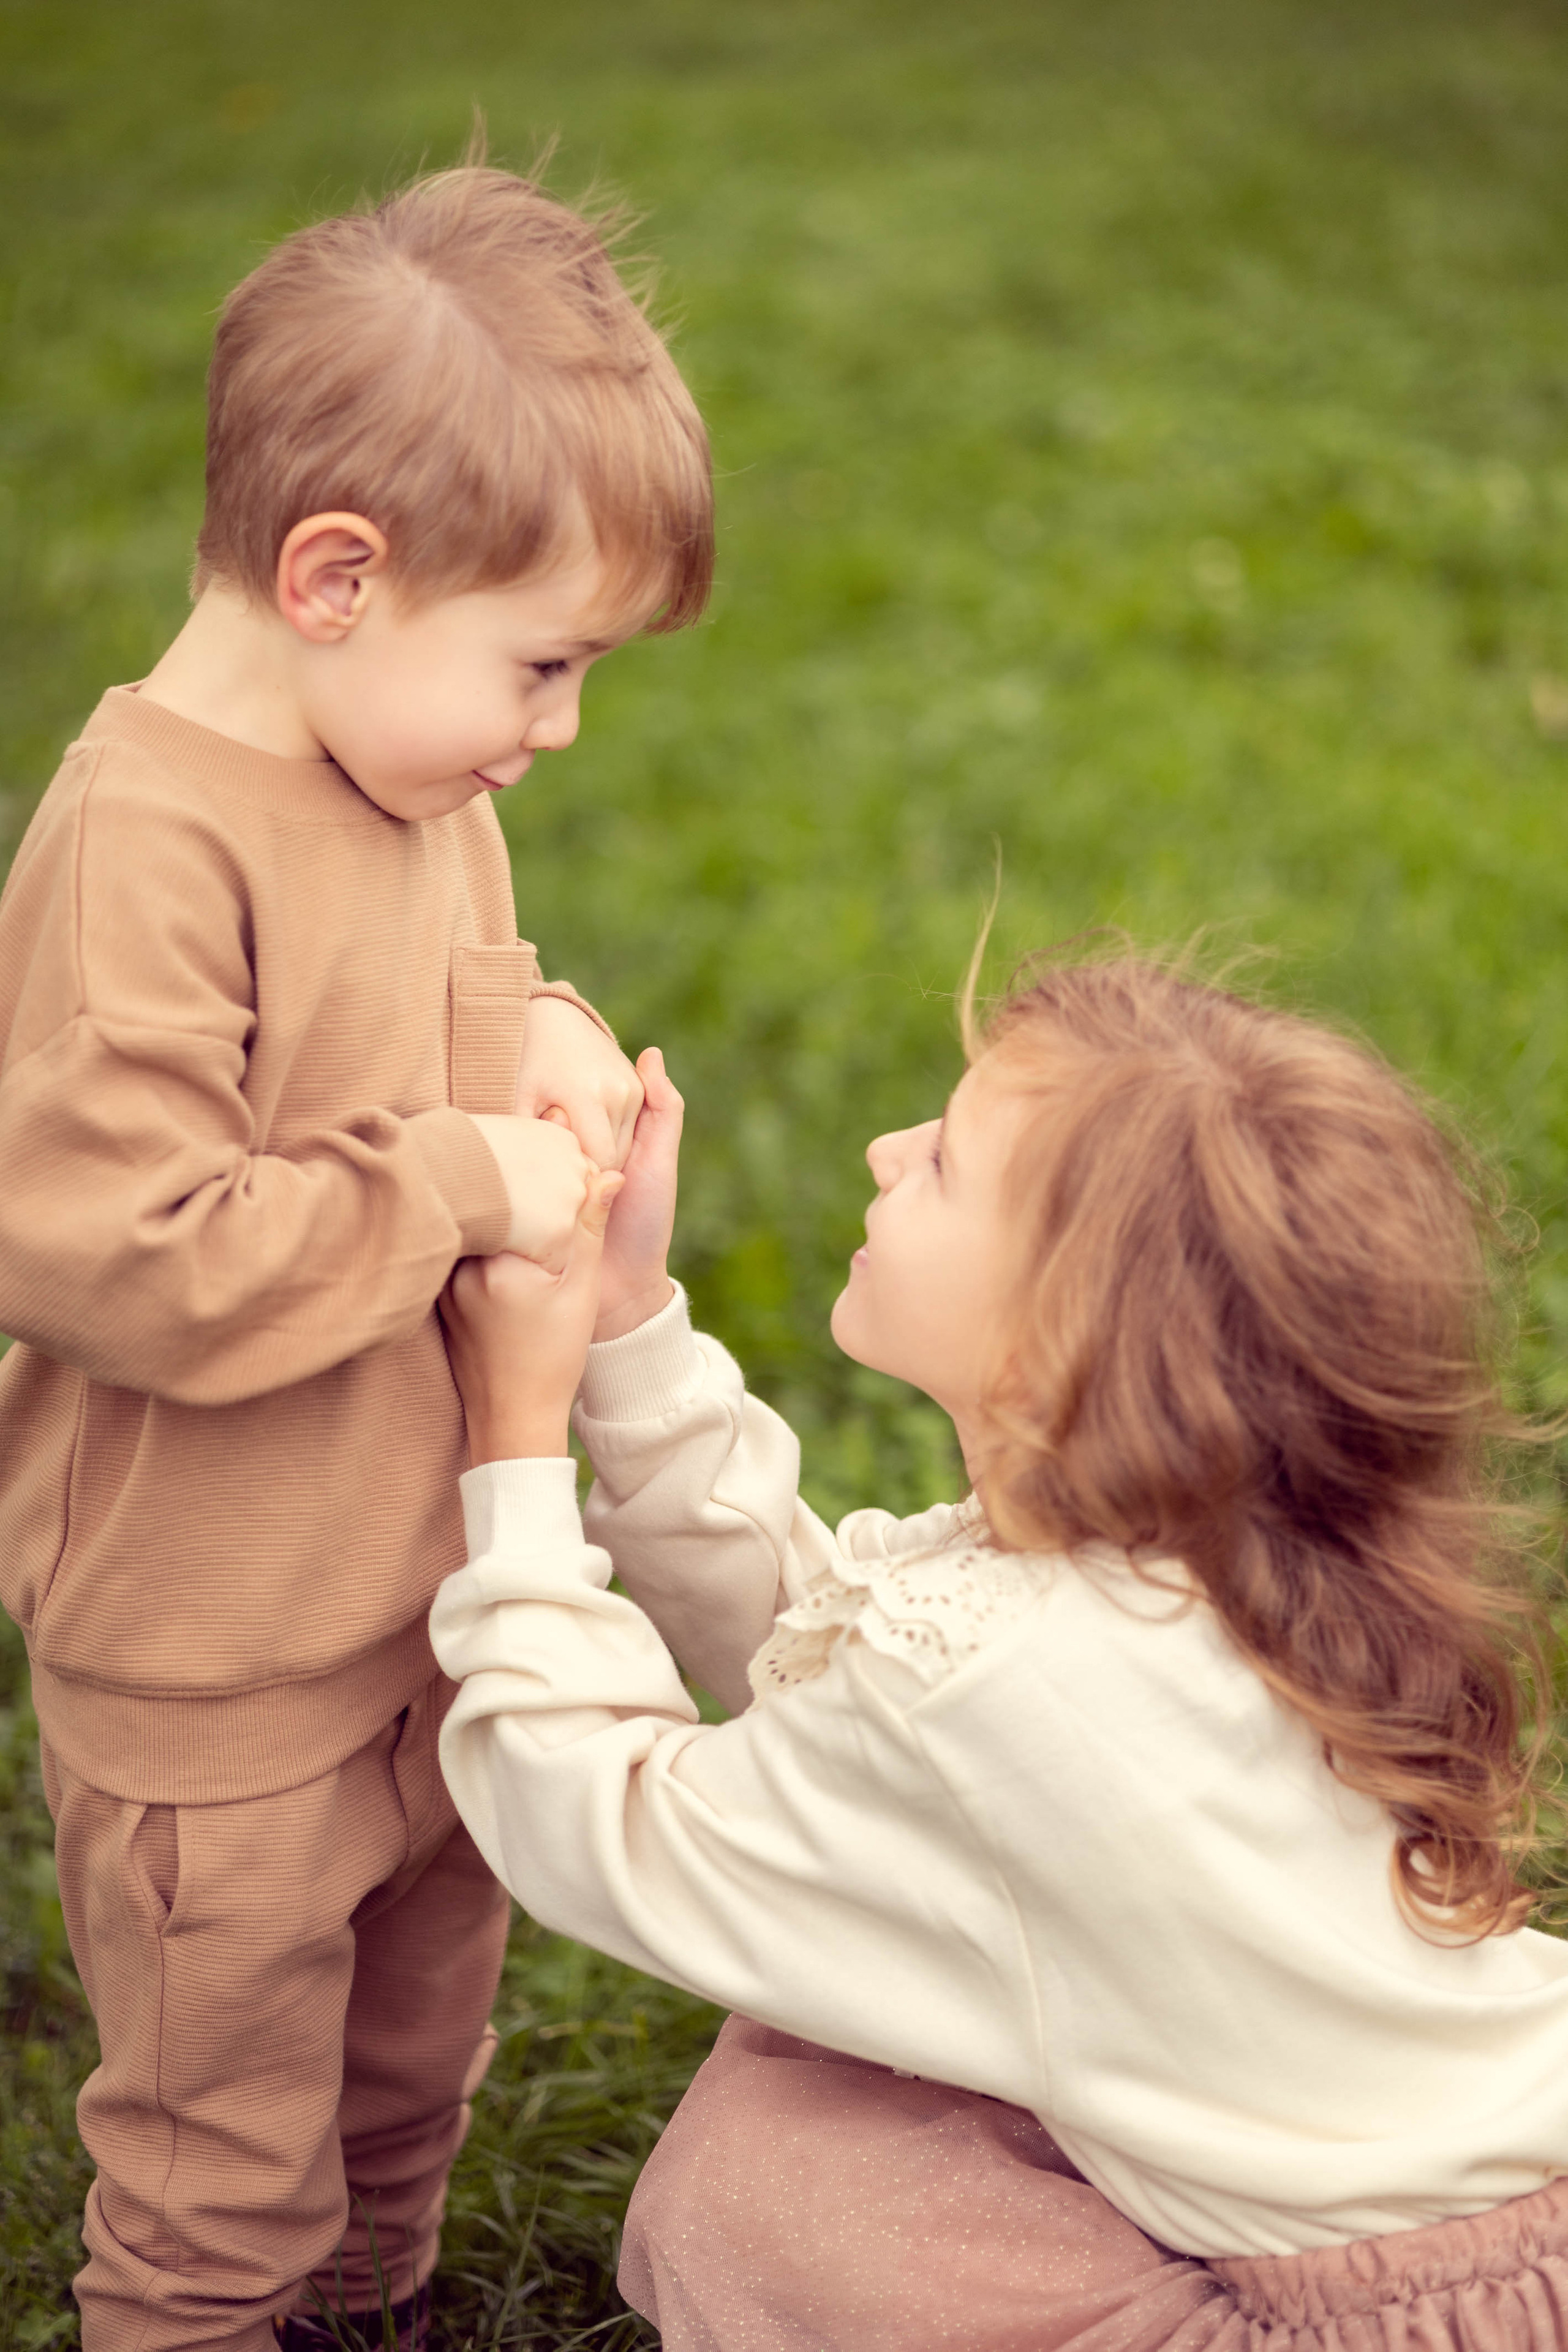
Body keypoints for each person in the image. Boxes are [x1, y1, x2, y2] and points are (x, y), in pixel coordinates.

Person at [432, 952, 1568, 2352]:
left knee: (768, 2194)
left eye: (946, 1164)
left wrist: (512, 1447)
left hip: (1400, 2321)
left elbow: (591, 1818)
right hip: (1510, 2198)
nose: (883, 1147)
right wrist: (625, 1327)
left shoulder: (997, 1674)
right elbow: (828, 1662)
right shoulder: (1185, 1559)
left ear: (1061, 1342)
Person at [0, 156, 712, 2352]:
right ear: (336, 576)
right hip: (220, 1672)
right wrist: (468, 1186)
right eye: (543, 662)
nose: (556, 725)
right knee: (224, 2162)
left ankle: (377, 2308)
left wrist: (550, 1041)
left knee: (409, 2077)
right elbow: (129, 1248)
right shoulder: (142, 848)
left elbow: (418, 1031)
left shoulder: (415, 779)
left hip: (420, 1606)